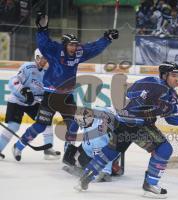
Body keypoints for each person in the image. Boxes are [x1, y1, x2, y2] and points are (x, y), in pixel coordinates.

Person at [74, 61, 178, 198]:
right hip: (137, 124)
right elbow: (145, 104)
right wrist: (172, 110)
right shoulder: (158, 87)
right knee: (165, 149)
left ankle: (85, 177)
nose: (176, 78)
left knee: (110, 152)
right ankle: (150, 185)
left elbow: (170, 118)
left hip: (123, 122)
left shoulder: (161, 88)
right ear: (164, 75)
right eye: (173, 75)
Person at [12, 12, 119, 161]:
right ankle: (19, 146)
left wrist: (107, 39)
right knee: (41, 126)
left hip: (67, 96)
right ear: (65, 45)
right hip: (50, 96)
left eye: (75, 45)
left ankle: (68, 154)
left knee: (74, 125)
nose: (74, 48)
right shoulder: (55, 51)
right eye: (71, 45)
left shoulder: (79, 53)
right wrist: (42, 29)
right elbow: (43, 43)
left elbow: (94, 48)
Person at [0, 49, 60, 161]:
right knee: (14, 126)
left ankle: (48, 149)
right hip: (17, 101)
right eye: (41, 58)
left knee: (45, 120)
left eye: (45, 58)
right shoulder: (27, 67)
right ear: (36, 57)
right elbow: (13, 81)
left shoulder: (48, 71)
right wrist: (24, 91)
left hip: (33, 103)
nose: (43, 61)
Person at [63, 107, 119, 182]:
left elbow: (104, 156)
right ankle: (110, 167)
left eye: (80, 120)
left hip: (106, 148)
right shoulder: (91, 119)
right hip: (97, 145)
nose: (78, 122)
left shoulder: (97, 138)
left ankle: (110, 169)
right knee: (78, 158)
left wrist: (105, 172)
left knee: (92, 158)